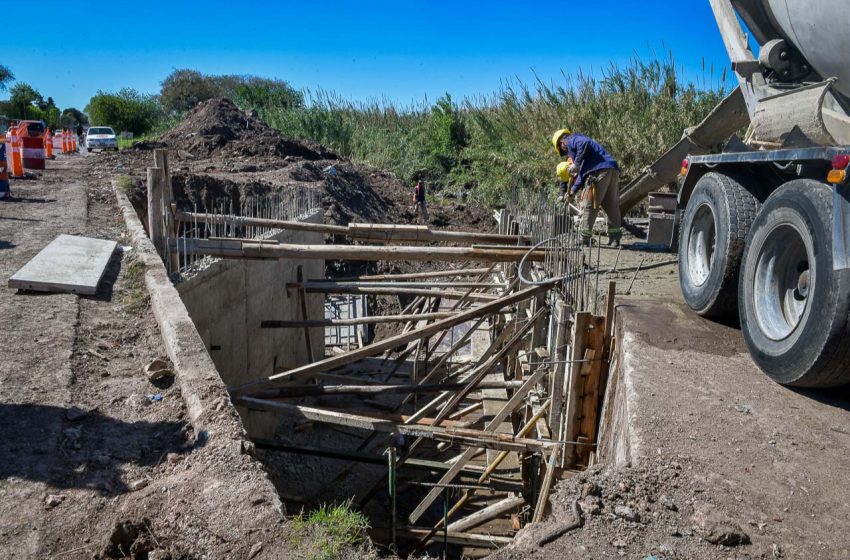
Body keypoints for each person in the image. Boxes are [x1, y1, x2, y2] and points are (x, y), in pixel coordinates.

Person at [551, 128, 622, 246]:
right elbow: (581, 175)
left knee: (589, 203)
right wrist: (572, 192)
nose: (566, 153)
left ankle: (584, 237)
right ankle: (615, 238)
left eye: (563, 150)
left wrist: (576, 163)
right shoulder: (583, 155)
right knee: (611, 205)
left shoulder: (571, 139)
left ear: (561, 143)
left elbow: (585, 143)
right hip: (611, 169)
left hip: (598, 171)